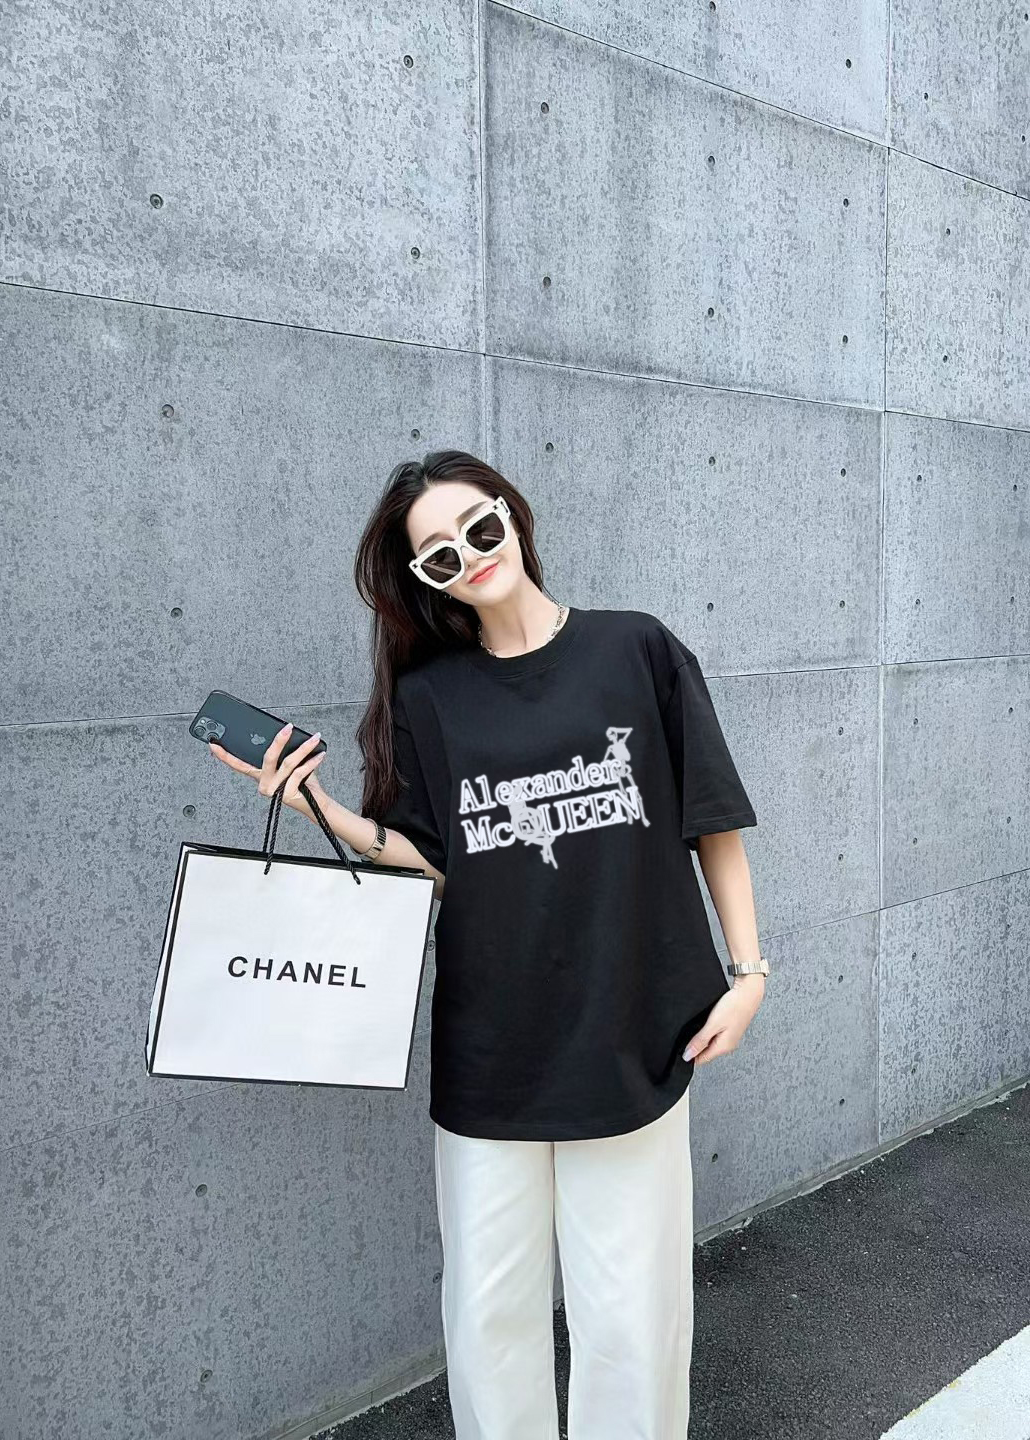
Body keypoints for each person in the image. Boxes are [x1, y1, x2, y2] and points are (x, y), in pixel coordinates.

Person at [208, 450, 768, 1440]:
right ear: (424, 581)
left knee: (630, 1324)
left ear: (512, 514)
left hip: (633, 1036)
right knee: (488, 1321)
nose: (467, 555)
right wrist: (318, 806)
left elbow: (710, 817)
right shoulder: (430, 700)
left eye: (478, 527)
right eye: (438, 555)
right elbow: (431, 862)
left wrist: (749, 971)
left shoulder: (636, 648)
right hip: (491, 1050)